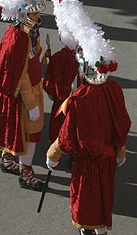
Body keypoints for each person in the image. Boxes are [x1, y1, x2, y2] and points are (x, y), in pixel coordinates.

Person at [46, 52, 130, 235]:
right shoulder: (114, 89)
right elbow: (121, 124)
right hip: (108, 160)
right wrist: (120, 150)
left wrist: (54, 153)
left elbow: (67, 134)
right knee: (103, 199)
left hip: (86, 164)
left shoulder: (80, 96)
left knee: (86, 203)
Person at [0, 0, 46, 191]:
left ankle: (7, 160)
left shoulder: (26, 33)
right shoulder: (18, 39)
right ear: (23, 16)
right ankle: (26, 174)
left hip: (28, 90)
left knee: (14, 129)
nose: (38, 17)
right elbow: (19, 76)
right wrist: (32, 104)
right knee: (30, 134)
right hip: (24, 95)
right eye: (34, 14)